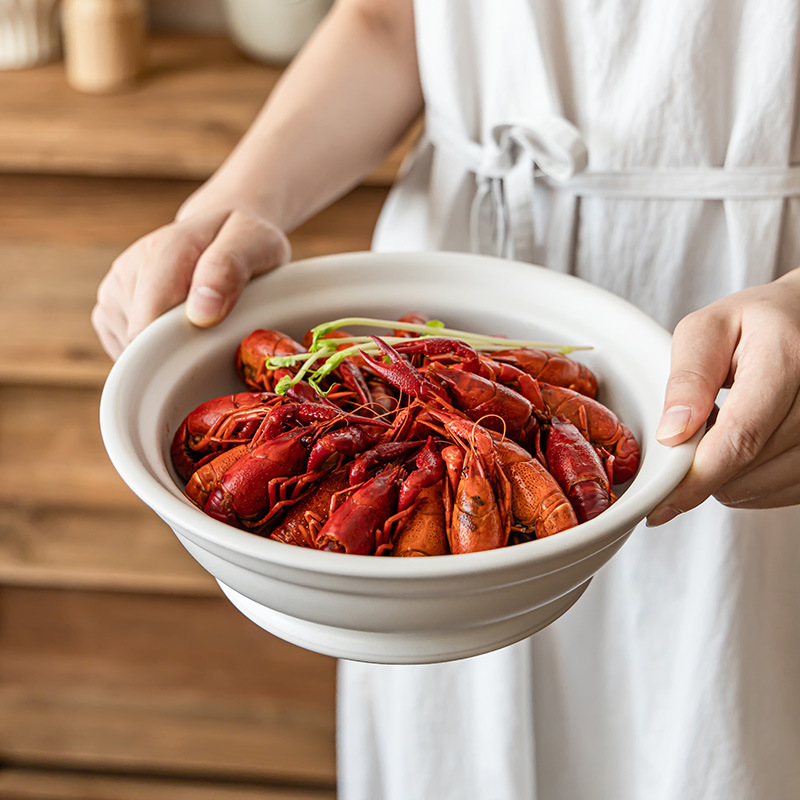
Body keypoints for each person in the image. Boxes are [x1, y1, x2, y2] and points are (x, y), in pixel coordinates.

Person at [92, 1, 800, 797]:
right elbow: (387, 20)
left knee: (707, 705)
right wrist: (229, 210)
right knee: (450, 747)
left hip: (751, 322)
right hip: (457, 245)